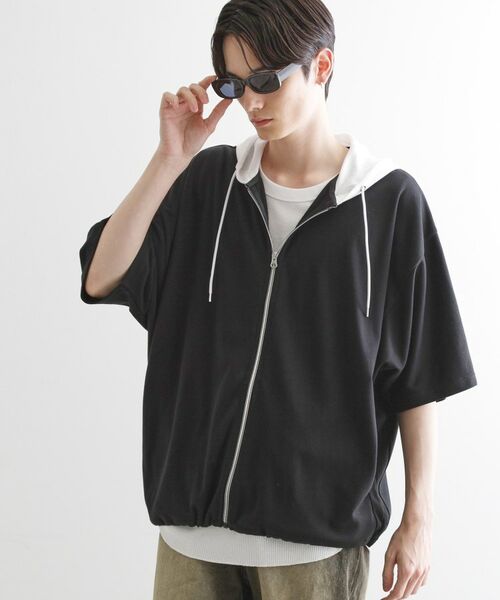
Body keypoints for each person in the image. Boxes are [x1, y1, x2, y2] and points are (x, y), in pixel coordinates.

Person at [78, 1, 478, 598]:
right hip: (190, 541)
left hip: (313, 547)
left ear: (322, 66)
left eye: (267, 80)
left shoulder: (388, 203)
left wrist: (419, 519)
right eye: (234, 83)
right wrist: (169, 160)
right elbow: (102, 277)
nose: (251, 102)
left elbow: (419, 376)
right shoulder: (207, 183)